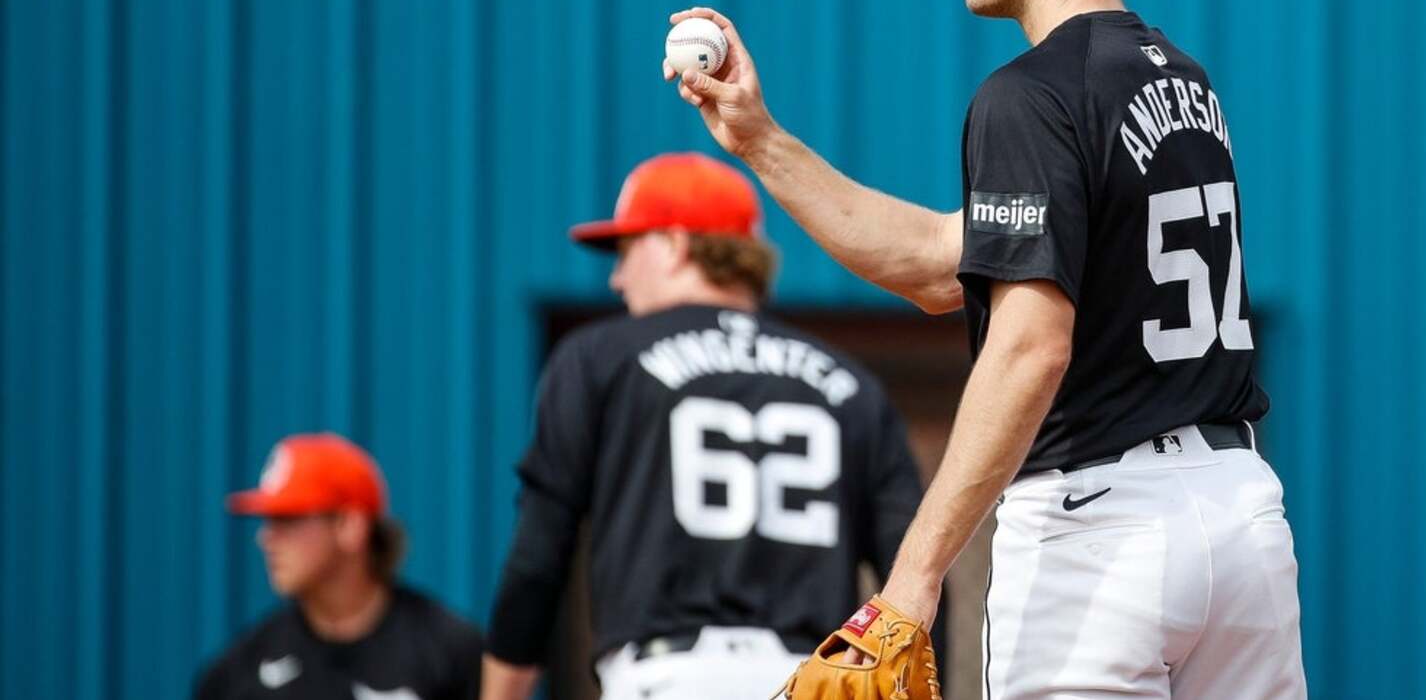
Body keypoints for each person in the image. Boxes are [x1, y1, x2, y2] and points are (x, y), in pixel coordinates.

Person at [662, 0, 1308, 697]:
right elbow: (941, 263)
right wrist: (760, 140)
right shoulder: (1183, 81)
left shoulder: (1032, 93)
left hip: (1102, 532)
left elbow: (1031, 345)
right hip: (1240, 516)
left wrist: (912, 579)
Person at [480, 151, 926, 700]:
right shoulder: (852, 384)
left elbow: (538, 556)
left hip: (670, 676)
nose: (617, 278)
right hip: (812, 680)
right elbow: (913, 563)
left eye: (627, 251)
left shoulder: (599, 357)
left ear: (674, 244)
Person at [194, 433, 483, 700]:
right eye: (268, 522)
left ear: (349, 526)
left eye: (287, 519)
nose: (266, 538)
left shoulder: (451, 654)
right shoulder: (237, 675)